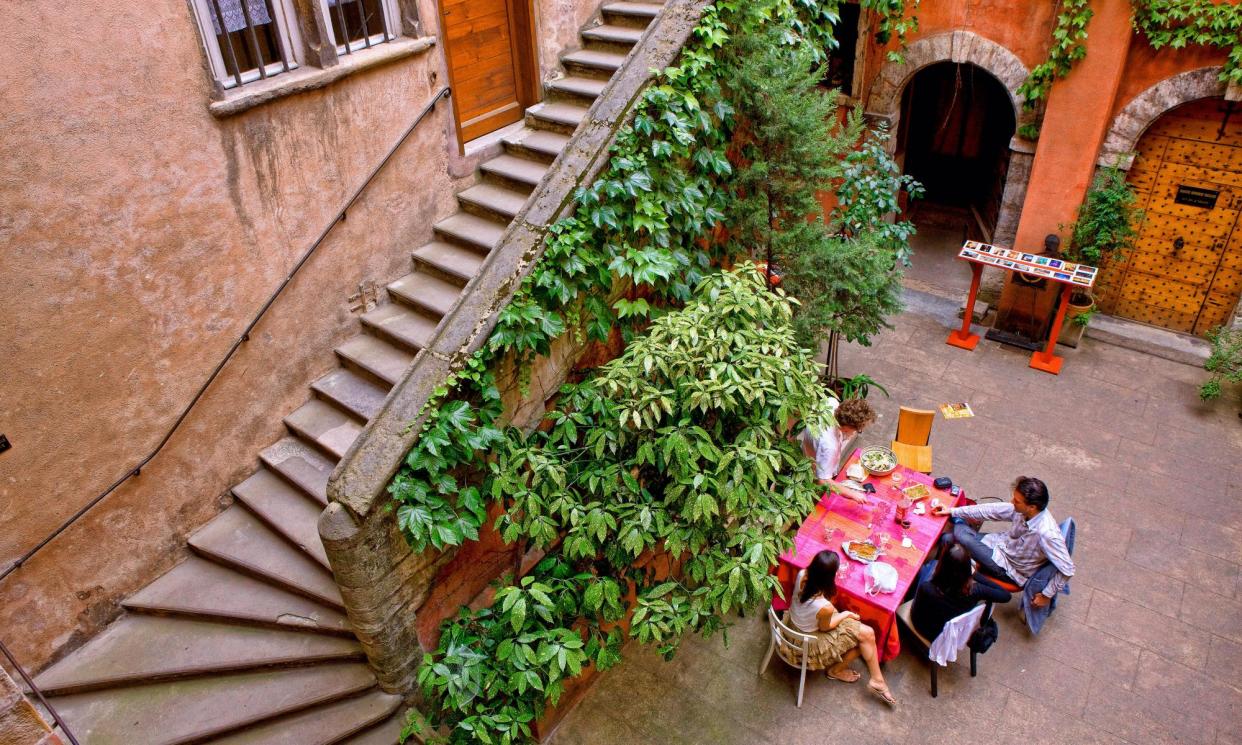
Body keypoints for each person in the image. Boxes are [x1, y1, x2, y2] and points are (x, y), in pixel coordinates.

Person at [932, 476, 1074, 608]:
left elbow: (1068, 569)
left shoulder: (1047, 534)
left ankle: (964, 571)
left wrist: (1046, 594)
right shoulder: (1023, 510)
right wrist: (952, 511)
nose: (1012, 502)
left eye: (1017, 501)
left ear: (1032, 507)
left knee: (960, 535)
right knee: (947, 539)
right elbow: (991, 510)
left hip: (1009, 569)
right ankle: (947, 578)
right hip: (998, 545)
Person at [789, 550, 897, 707]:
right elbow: (826, 628)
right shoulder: (823, 606)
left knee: (867, 636)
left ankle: (877, 680)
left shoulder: (802, 574)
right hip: (809, 641)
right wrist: (845, 614)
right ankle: (837, 672)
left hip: (794, 624)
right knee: (866, 636)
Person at [910, 540, 1011, 641]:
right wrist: (975, 574)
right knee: (930, 565)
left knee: (926, 567)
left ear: (942, 566)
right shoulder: (975, 591)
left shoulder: (927, 587)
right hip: (949, 636)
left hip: (920, 626)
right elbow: (1006, 595)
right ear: (967, 568)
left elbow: (914, 610)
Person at [799, 398, 877, 505]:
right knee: (818, 501)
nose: (855, 433)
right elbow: (822, 481)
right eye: (856, 430)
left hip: (810, 449)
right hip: (812, 471)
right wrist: (852, 494)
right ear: (846, 428)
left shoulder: (831, 403)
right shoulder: (830, 446)